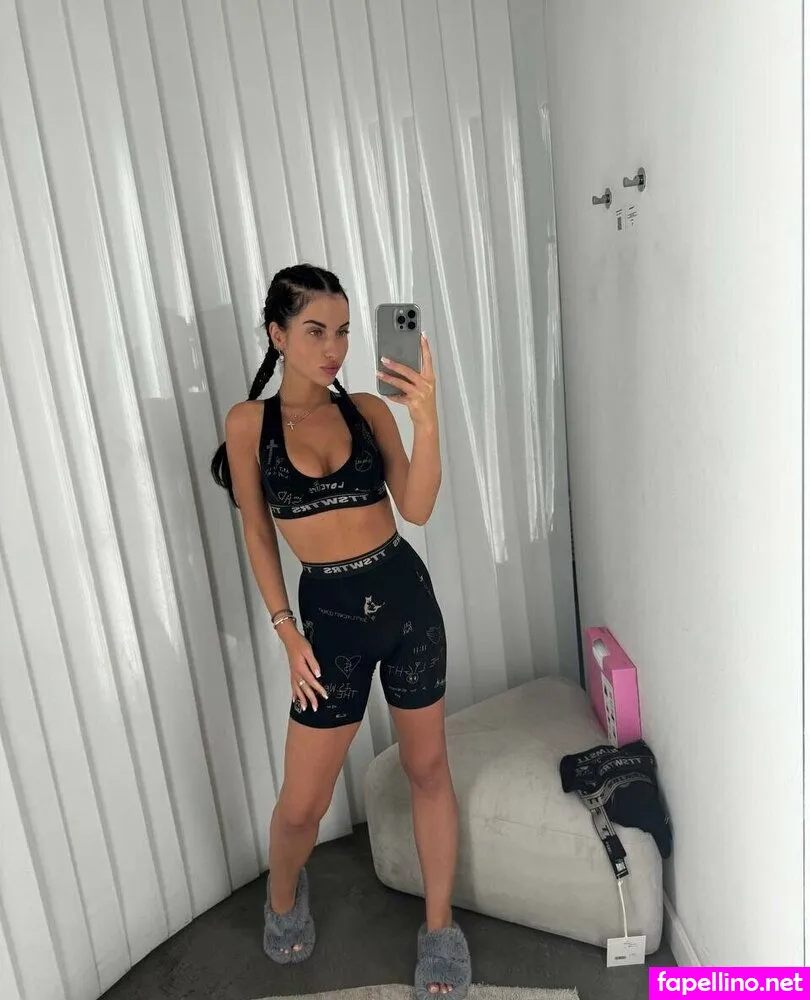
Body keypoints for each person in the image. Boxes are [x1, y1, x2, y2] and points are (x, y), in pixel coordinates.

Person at [210, 264, 471, 999]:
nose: (335, 348)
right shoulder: (249, 424)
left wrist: (427, 420)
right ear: (278, 334)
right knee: (303, 803)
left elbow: (416, 508)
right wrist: (286, 633)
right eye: (316, 331)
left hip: (407, 606)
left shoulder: (367, 410)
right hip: (327, 625)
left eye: (345, 331)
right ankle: (282, 898)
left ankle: (440, 927)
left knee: (428, 770)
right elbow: (258, 534)